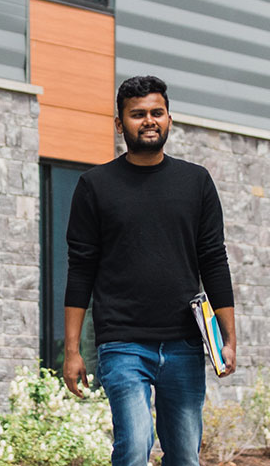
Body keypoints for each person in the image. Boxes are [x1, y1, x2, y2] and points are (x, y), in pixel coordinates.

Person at [61, 75, 237, 466]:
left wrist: (228, 339)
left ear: (170, 118)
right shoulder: (95, 186)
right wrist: (72, 350)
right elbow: (80, 270)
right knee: (133, 446)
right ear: (120, 123)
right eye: (137, 114)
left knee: (184, 457)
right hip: (122, 342)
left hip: (186, 344)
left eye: (157, 112)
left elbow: (214, 260)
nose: (149, 120)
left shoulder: (196, 182)